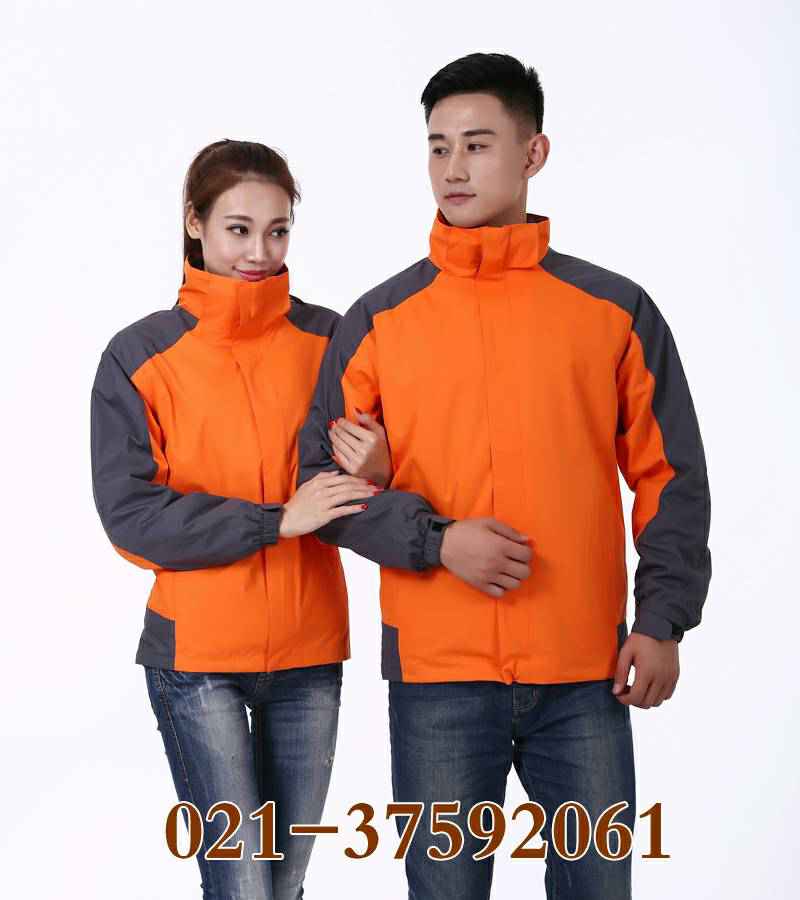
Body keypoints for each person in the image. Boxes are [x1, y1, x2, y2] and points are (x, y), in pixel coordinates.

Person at [298, 53, 711, 899]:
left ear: (534, 153)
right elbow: (317, 488)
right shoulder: (378, 321)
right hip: (438, 678)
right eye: (437, 146)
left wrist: (663, 619)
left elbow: (670, 474)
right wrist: (437, 541)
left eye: (477, 144)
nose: (452, 168)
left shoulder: (615, 311)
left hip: (586, 670)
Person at [90, 139, 392, 900]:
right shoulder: (139, 355)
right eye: (238, 229)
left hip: (309, 653)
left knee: (283, 886)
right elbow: (132, 517)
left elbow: (382, 474)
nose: (260, 252)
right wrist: (273, 521)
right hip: (197, 661)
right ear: (194, 223)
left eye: (278, 230)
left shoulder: (332, 341)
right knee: (241, 887)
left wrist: (382, 465)